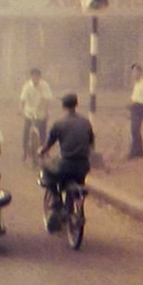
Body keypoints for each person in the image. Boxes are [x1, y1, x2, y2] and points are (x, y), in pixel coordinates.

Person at [38, 93, 95, 231]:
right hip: (83, 166)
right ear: (76, 105)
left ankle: (56, 200)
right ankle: (70, 208)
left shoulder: (59, 123)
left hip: (66, 165)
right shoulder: (86, 122)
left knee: (46, 168)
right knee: (76, 180)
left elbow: (48, 145)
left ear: (63, 106)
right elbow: (91, 144)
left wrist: (41, 151)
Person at [19, 68, 53, 163]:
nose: (35, 78)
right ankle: (25, 151)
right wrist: (20, 109)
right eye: (34, 76)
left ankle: (44, 151)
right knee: (26, 131)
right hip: (29, 112)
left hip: (41, 112)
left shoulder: (45, 85)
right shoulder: (27, 86)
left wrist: (47, 110)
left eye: (37, 76)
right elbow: (22, 99)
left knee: (43, 132)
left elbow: (48, 99)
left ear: (40, 77)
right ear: (31, 76)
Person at [128, 63, 143, 159]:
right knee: (134, 130)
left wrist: (139, 102)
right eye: (133, 72)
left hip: (139, 107)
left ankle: (135, 152)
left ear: (140, 72)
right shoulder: (136, 84)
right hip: (134, 106)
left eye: (135, 72)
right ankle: (138, 152)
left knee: (135, 129)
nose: (134, 74)